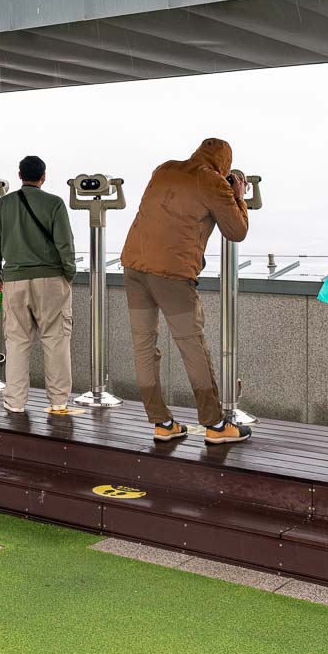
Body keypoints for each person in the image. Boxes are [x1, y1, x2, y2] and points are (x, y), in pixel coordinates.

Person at [120, 138, 250, 445]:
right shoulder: (213, 182)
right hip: (173, 275)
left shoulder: (165, 169)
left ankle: (162, 423)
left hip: (134, 266)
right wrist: (238, 196)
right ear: (224, 164)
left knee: (143, 345)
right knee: (193, 346)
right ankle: (216, 426)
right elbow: (237, 231)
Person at [0, 155, 76, 412]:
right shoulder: (55, 204)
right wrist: (67, 274)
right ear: (43, 176)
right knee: (56, 340)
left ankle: (15, 402)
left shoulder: (4, 204)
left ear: (19, 175)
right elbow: (65, 245)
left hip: (14, 282)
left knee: (16, 342)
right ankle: (58, 402)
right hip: (51, 280)